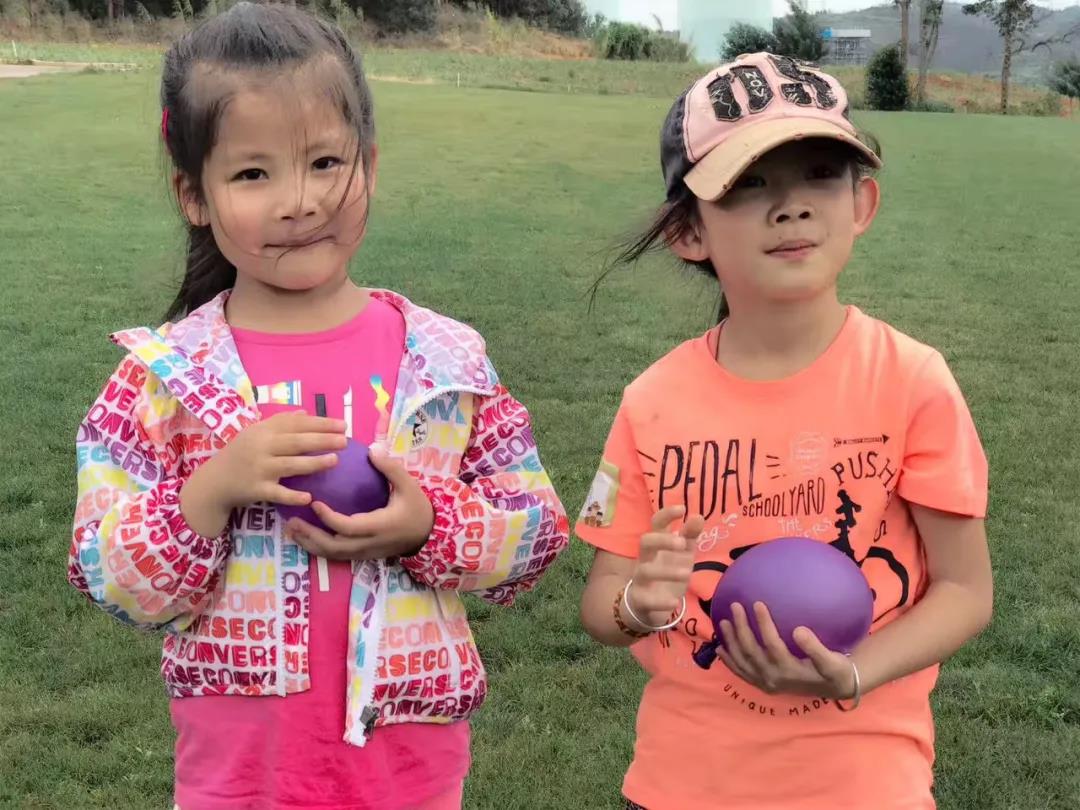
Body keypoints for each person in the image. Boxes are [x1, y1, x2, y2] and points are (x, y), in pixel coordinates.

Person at [67, 5, 569, 808]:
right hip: (240, 782)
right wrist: (210, 491)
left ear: (369, 165)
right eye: (252, 174)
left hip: (409, 778)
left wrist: (429, 526)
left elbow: (537, 529)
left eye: (325, 162)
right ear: (194, 194)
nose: (298, 202)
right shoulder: (163, 380)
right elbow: (109, 577)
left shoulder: (447, 361)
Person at [576, 52, 993, 810]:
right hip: (684, 783)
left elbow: (965, 590)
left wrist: (856, 671)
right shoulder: (651, 401)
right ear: (688, 232)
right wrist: (637, 604)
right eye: (749, 184)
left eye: (820, 175)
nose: (792, 206)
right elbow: (603, 600)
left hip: (865, 783)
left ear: (862, 203)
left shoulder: (911, 381)